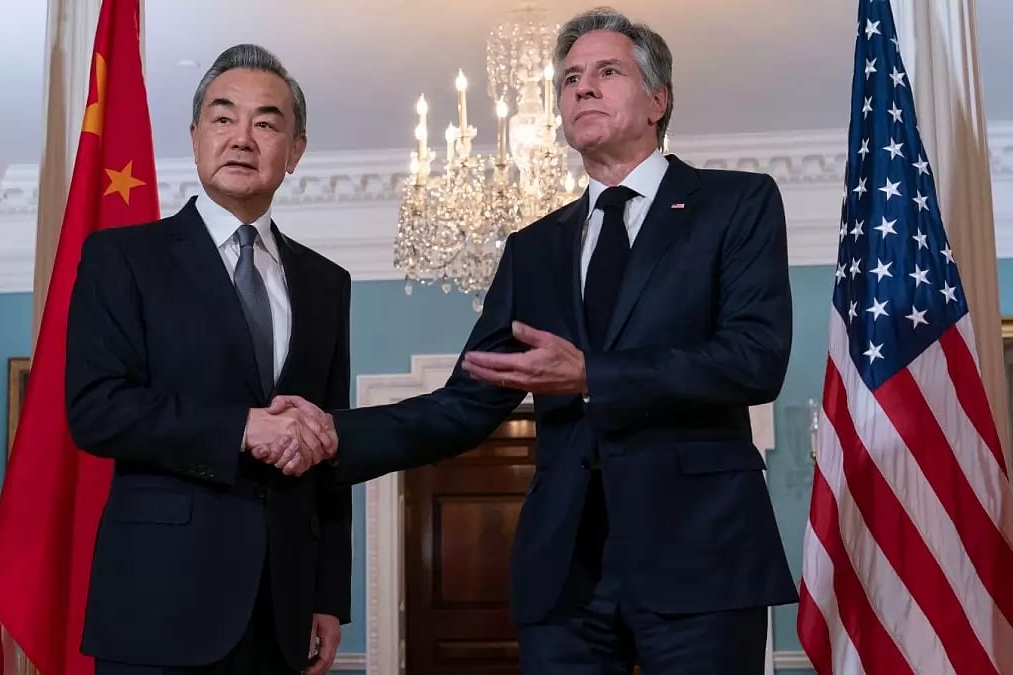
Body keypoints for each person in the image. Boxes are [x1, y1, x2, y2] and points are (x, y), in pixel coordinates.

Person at [260, 7, 797, 674]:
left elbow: (754, 359)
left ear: (658, 99)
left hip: (702, 562)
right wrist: (339, 434)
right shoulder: (534, 248)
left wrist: (592, 374)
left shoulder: (734, 205)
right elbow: (466, 401)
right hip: (565, 576)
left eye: (607, 71)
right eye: (570, 78)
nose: (583, 88)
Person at [64, 43, 349, 675]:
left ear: (295, 151)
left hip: (283, 609)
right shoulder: (123, 259)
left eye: (267, 122)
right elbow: (96, 410)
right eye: (224, 118)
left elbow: (330, 448)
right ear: (196, 138)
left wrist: (329, 596)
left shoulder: (328, 283)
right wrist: (241, 428)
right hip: (158, 603)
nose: (243, 138)